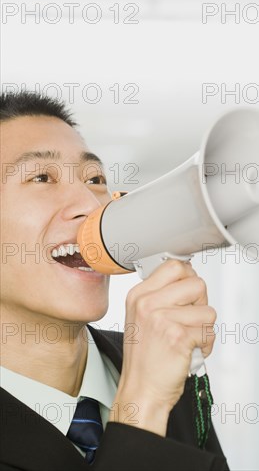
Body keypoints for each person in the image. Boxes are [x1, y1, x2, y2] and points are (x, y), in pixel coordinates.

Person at [0, 92, 229, 471]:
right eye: (42, 177)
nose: (92, 206)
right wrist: (144, 403)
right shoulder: (152, 377)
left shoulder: (160, 358)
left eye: (95, 179)